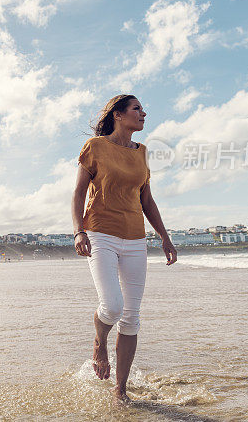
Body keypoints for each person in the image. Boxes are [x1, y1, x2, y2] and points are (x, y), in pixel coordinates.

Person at [71, 94, 177, 404]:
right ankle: (99, 342)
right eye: (136, 109)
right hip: (100, 233)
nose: (144, 113)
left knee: (131, 317)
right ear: (118, 115)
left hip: (134, 238)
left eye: (143, 109)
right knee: (113, 306)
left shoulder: (142, 153)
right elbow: (78, 194)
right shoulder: (96, 147)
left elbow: (147, 200)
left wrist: (165, 237)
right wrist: (78, 231)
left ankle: (120, 390)